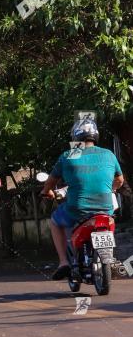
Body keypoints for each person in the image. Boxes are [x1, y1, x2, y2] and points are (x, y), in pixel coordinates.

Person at [40, 118, 124, 279]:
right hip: (106, 208)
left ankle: (64, 262)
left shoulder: (69, 155)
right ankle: (109, 258)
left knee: (55, 221)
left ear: (76, 137)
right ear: (95, 135)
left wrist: (47, 191)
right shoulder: (108, 154)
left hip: (78, 208)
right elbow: (120, 181)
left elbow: (50, 182)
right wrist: (110, 188)